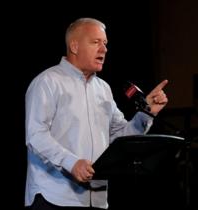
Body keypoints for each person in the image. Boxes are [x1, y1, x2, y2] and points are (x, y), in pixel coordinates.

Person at [24, 17, 168, 210]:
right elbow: (36, 135)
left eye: (105, 43)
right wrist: (71, 163)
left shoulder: (103, 89)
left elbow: (120, 140)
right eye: (96, 42)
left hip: (97, 200)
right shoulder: (47, 82)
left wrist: (146, 113)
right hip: (54, 197)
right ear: (74, 46)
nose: (104, 49)